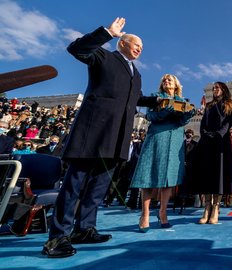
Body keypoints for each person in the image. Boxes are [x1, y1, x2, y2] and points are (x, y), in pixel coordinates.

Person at [42, 18, 159, 258]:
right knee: (74, 185)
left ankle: (84, 228)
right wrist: (107, 32)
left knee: (98, 188)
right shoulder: (103, 57)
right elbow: (77, 49)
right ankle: (57, 237)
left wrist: (156, 101)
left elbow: (133, 100)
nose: (139, 49)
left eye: (142, 47)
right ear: (122, 43)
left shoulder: (136, 74)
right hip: (92, 134)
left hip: (116, 138)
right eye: (136, 44)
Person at [130, 74, 195, 231]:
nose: (167, 82)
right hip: (157, 137)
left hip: (175, 140)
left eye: (170, 80)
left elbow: (181, 121)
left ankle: (163, 212)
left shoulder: (182, 100)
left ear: (176, 84)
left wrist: (187, 116)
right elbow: (150, 116)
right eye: (164, 80)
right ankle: (145, 214)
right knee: (149, 176)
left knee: (168, 178)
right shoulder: (156, 97)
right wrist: (163, 113)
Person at [193, 82, 232, 224]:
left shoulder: (229, 104)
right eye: (213, 88)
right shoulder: (209, 106)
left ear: (223, 89)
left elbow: (228, 123)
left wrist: (218, 135)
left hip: (221, 143)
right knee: (207, 175)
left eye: (217, 88)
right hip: (207, 143)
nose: (214, 90)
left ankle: (216, 208)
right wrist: (205, 134)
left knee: (218, 175)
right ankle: (207, 208)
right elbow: (203, 123)